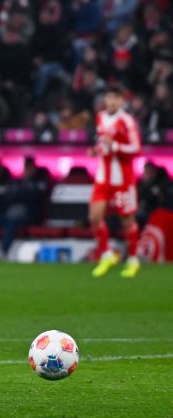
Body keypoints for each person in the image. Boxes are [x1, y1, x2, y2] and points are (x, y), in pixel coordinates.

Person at [89, 84, 142, 278]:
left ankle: (133, 260)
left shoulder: (127, 121)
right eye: (109, 97)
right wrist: (96, 150)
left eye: (116, 98)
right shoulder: (100, 117)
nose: (111, 101)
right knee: (95, 216)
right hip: (103, 176)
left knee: (127, 220)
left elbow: (136, 149)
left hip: (122, 179)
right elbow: (101, 142)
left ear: (122, 101)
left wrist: (117, 145)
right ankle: (107, 255)